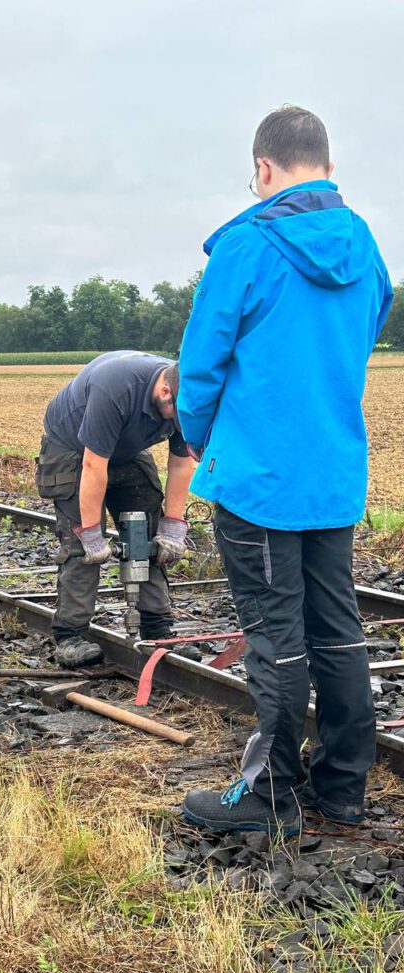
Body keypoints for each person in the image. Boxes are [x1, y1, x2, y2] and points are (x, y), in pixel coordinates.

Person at [178, 106, 393, 834]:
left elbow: (200, 368)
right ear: (327, 168)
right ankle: (343, 787)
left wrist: (207, 444)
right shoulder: (362, 243)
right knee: (336, 629)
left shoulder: (246, 244)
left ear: (263, 170)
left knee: (276, 636)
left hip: (259, 479)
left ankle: (271, 796)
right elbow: (369, 324)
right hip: (332, 474)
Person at [35, 350, 195, 668]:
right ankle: (70, 636)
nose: (173, 424)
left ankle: (157, 630)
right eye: (172, 416)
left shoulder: (187, 397)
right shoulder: (117, 387)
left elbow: (181, 463)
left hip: (126, 449)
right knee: (81, 544)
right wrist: (93, 534)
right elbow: (94, 464)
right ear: (165, 392)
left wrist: (173, 525)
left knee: (146, 536)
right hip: (73, 450)